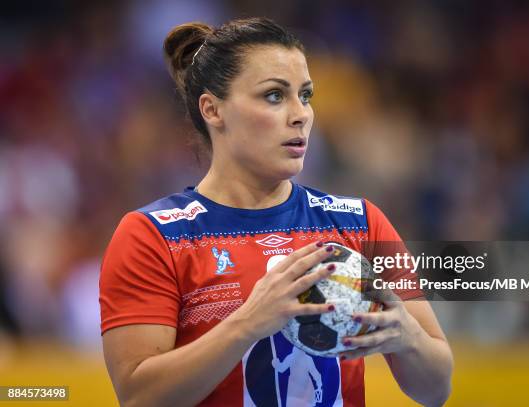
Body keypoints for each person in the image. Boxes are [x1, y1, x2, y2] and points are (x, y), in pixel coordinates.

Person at [99, 17, 453, 407]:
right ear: (213, 110)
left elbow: (435, 390)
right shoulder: (153, 235)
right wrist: (248, 323)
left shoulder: (360, 222)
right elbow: (138, 399)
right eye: (274, 96)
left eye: (305, 95)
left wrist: (407, 336)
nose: (300, 114)